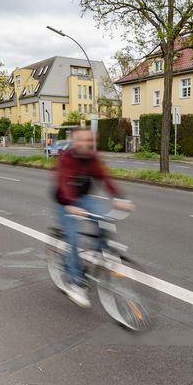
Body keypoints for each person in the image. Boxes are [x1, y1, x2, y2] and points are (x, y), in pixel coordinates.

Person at [55, 128, 133, 308]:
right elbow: (63, 181)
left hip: (84, 198)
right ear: (74, 142)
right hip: (65, 201)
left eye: (89, 141)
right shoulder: (67, 158)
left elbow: (105, 177)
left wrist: (119, 197)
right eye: (82, 141)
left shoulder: (92, 158)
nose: (86, 144)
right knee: (73, 238)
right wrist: (70, 205)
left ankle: (107, 255)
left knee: (105, 220)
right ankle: (74, 281)